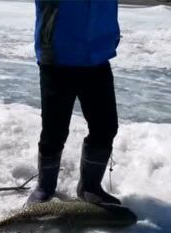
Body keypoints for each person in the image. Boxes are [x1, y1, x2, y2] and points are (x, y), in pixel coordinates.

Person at [28, 0, 122, 206]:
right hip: (57, 57)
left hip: (96, 56)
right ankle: (45, 187)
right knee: (54, 129)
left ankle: (89, 187)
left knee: (105, 126)